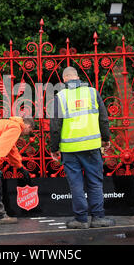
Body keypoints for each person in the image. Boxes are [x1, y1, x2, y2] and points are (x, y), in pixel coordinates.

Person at [50, 66, 115, 229]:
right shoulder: (92, 92)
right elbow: (104, 117)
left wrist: (54, 148)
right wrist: (106, 138)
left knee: (76, 184)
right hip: (92, 147)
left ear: (64, 79)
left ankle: (81, 220)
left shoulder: (61, 96)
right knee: (95, 182)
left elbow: (55, 125)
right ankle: (98, 217)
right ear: (77, 77)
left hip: (70, 150)